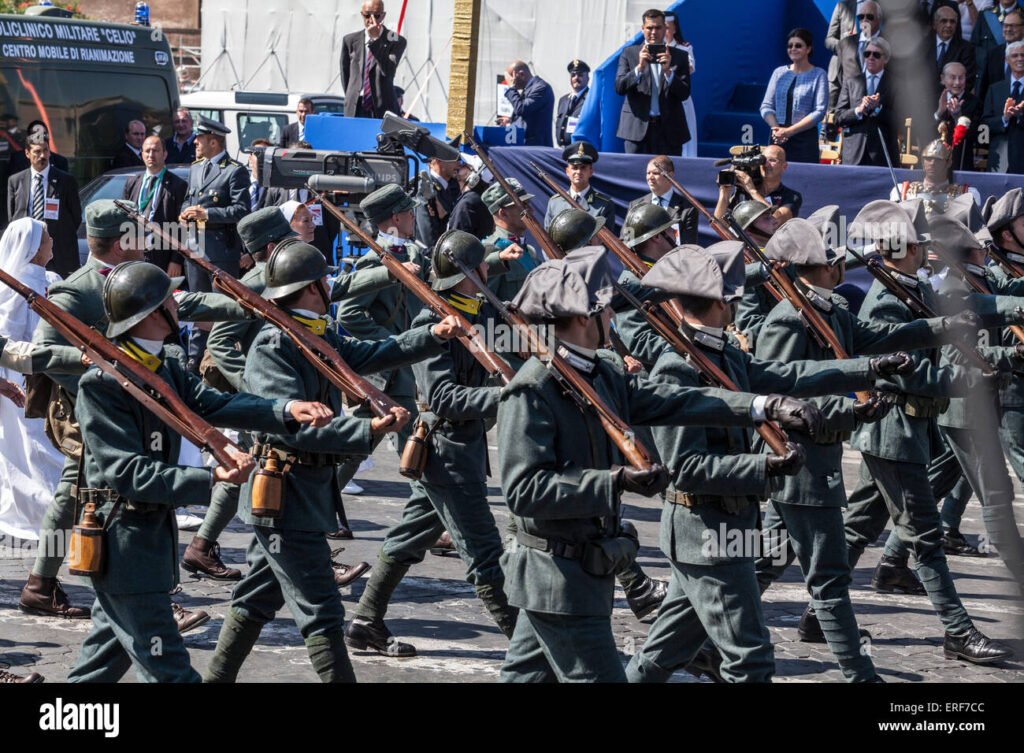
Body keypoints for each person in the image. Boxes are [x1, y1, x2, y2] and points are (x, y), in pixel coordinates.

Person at [495, 246, 824, 682]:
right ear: (581, 318)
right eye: (605, 309)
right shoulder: (533, 388)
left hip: (577, 572)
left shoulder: (600, 372)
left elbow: (679, 400)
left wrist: (762, 406)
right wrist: (616, 480)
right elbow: (524, 490)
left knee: (524, 677)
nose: (612, 317)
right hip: (555, 576)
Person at [626, 243, 889, 683]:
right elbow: (685, 467)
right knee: (751, 659)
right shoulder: (677, 368)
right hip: (705, 531)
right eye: (732, 294)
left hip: (727, 525)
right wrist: (764, 468)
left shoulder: (724, 354)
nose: (738, 300)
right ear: (719, 300)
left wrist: (867, 368)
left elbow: (790, 376)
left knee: (663, 653)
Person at [204, 241, 461, 682]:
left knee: (256, 598)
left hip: (303, 492)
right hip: (285, 494)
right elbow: (289, 424)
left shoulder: (314, 331)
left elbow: (369, 355)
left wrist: (430, 336)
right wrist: (368, 431)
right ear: (311, 289)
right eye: (323, 281)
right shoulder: (274, 343)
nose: (330, 286)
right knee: (322, 610)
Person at [65, 260, 332, 683]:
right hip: (125, 546)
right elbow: (127, 473)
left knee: (102, 663)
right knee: (170, 669)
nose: (178, 301)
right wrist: (208, 480)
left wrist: (284, 410)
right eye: (170, 298)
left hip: (146, 545)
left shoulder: (163, 365)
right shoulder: (103, 384)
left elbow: (214, 404)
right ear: (153, 313)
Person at [753, 219, 977, 682]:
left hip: (820, 459)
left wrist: (942, 326)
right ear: (806, 269)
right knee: (829, 575)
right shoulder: (787, 320)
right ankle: (860, 674)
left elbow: (878, 340)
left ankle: (685, 636)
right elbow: (780, 393)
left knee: (760, 564)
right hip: (800, 461)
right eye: (829, 260)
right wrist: (851, 410)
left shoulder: (830, 310)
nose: (839, 266)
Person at [18, 200, 248, 624]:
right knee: (113, 499)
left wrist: (245, 305)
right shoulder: (76, 290)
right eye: (137, 234)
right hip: (97, 408)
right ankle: (144, 596)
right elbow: (46, 355)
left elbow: (188, 303)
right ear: (121, 243)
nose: (146, 241)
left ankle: (41, 583)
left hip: (133, 404)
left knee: (75, 495)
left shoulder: (137, 278)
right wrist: (99, 379)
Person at [838, 202, 1015, 665]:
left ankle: (819, 612)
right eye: (918, 244)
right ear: (905, 248)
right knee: (927, 538)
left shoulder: (915, 289)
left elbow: (977, 305)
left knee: (858, 529)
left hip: (907, 432)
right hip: (893, 433)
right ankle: (958, 631)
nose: (925, 251)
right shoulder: (886, 302)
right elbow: (902, 374)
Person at [345, 231, 520, 656]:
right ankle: (529, 647)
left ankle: (366, 620)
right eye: (482, 266)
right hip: (446, 452)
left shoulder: (477, 313)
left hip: (457, 451)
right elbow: (442, 397)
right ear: (470, 273)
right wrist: (510, 396)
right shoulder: (433, 323)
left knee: (410, 537)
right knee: (484, 552)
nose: (486, 272)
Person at [0, 219, 64, 542]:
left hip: (48, 374)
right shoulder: (17, 286)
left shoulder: (48, 279)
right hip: (25, 377)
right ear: (35, 248)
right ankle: (47, 512)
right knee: (35, 446)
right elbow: (8, 338)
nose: (52, 239)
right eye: (46, 236)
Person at [179, 115, 249, 371]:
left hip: (221, 250)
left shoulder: (234, 171)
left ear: (214, 142)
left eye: (200, 139)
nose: (195, 143)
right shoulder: (196, 168)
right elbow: (189, 199)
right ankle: (194, 358)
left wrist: (207, 214)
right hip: (195, 247)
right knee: (199, 306)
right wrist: (185, 211)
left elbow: (242, 209)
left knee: (220, 308)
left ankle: (218, 359)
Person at [614, 8, 692, 155]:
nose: (653, 32)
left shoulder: (680, 56)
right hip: (636, 130)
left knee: (666, 176)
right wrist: (639, 68)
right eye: (649, 28)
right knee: (634, 176)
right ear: (643, 29)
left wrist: (668, 72)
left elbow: (684, 94)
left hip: (669, 131)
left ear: (665, 29)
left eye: (658, 27)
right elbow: (619, 87)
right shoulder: (629, 53)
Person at [6, 131, 82, 280]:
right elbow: (13, 217)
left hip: (58, 252)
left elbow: (75, 217)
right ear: (27, 153)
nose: (42, 156)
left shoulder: (66, 181)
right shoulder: (16, 181)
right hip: (27, 253)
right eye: (37, 151)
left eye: (46, 150)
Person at [761, 28, 828, 164]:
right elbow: (766, 106)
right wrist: (776, 129)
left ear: (808, 49)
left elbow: (819, 111)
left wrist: (789, 132)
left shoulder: (819, 74)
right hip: (777, 138)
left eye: (798, 45)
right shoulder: (778, 73)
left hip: (804, 140)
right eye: (790, 46)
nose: (793, 49)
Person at [123, 135, 188, 275]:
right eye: (147, 151)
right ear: (142, 154)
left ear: (164, 154)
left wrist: (176, 260)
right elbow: (123, 217)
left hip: (162, 255)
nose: (151, 155)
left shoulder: (178, 185)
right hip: (135, 253)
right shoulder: (132, 182)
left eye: (155, 150)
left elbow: (183, 226)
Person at [834, 37, 900, 167]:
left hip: (882, 155)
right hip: (854, 154)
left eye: (876, 55)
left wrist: (878, 108)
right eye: (867, 54)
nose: (871, 57)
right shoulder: (851, 82)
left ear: (885, 59)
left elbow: (900, 119)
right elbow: (838, 117)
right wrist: (858, 111)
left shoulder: (896, 84)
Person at [341, 0, 407, 119]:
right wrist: (351, 96)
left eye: (376, 15)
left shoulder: (396, 40)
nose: (371, 20)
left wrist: (376, 40)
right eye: (367, 15)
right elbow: (345, 74)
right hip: (356, 105)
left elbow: (388, 70)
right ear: (362, 14)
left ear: (383, 16)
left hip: (383, 107)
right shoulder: (350, 40)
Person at [714, 144, 802, 224]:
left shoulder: (791, 196)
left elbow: (777, 220)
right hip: (741, 241)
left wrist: (753, 191)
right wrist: (724, 193)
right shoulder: (743, 192)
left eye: (772, 160)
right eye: (763, 160)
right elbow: (719, 225)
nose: (766, 165)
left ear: (784, 166)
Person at [542, 141, 616, 233]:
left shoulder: (604, 205)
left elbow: (608, 243)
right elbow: (547, 240)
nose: (578, 172)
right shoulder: (555, 203)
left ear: (591, 171)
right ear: (567, 171)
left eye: (583, 167)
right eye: (574, 167)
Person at [891, 139, 981, 210]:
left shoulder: (966, 194)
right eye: (928, 158)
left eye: (938, 160)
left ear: (949, 163)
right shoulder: (902, 191)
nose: (932, 163)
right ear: (922, 162)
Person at [627, 155, 697, 245]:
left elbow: (689, 247)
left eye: (655, 173)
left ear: (670, 176)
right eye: (648, 173)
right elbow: (625, 241)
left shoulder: (687, 209)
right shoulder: (635, 205)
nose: (650, 177)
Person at [829, 2, 885, 109]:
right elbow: (842, 76)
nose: (864, 20)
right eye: (860, 17)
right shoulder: (844, 44)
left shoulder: (889, 44)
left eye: (869, 16)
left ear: (879, 19)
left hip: (879, 112)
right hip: (851, 111)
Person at [981, 40, 1024, 172]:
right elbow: (984, 124)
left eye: (1023, 55)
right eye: (1015, 55)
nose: (1020, 59)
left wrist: (1020, 116)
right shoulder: (995, 89)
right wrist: (1004, 118)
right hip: (999, 160)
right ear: (1006, 60)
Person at [932, 62, 983, 171]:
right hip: (934, 160)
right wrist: (939, 113)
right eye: (953, 77)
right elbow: (923, 130)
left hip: (961, 161)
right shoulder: (933, 98)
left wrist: (957, 117)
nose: (957, 82)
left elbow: (972, 135)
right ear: (942, 79)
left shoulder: (974, 102)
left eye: (961, 78)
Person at [664, 11, 698, 158]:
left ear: (674, 29)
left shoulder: (684, 48)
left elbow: (690, 68)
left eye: (666, 27)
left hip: (677, 96)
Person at [498, 61, 556, 147]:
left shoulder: (541, 88)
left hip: (537, 149)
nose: (510, 82)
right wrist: (511, 121)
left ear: (521, 74)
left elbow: (521, 109)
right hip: (526, 147)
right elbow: (529, 113)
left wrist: (511, 88)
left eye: (511, 79)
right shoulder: (528, 89)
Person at [414, 151, 461, 248]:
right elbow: (427, 236)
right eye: (454, 160)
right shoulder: (424, 188)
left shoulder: (451, 186)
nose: (458, 164)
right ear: (439, 161)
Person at [976, 8, 1023, 103]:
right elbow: (984, 87)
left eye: (1013, 26)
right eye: (1005, 25)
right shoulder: (993, 54)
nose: (1008, 29)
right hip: (997, 112)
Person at [447, 154, 495, 239]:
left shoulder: (467, 204)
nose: (458, 166)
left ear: (474, 177)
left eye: (464, 165)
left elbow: (456, 241)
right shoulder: (478, 199)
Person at [825, 0, 860, 109]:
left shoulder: (879, 7)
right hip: (838, 71)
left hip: (863, 72)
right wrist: (844, 46)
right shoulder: (842, 5)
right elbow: (829, 40)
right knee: (829, 120)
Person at [555, 59, 590, 147]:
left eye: (580, 75)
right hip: (563, 149)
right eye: (573, 75)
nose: (576, 78)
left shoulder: (590, 99)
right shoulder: (563, 100)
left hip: (581, 150)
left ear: (588, 78)